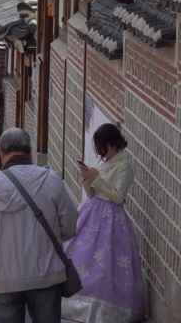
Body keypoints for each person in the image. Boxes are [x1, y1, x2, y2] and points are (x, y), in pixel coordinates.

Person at [0, 128, 79, 322]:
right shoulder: (51, 179)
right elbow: (69, 226)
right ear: (29, 151)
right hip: (46, 272)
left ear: (1, 152)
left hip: (2, 275)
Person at [61, 123, 145, 322]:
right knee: (79, 251)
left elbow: (118, 195)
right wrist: (88, 178)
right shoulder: (103, 162)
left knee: (106, 259)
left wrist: (97, 179)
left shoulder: (125, 166)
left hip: (111, 219)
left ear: (113, 144)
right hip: (91, 211)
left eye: (103, 147)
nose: (101, 153)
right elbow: (92, 191)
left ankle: (104, 306)